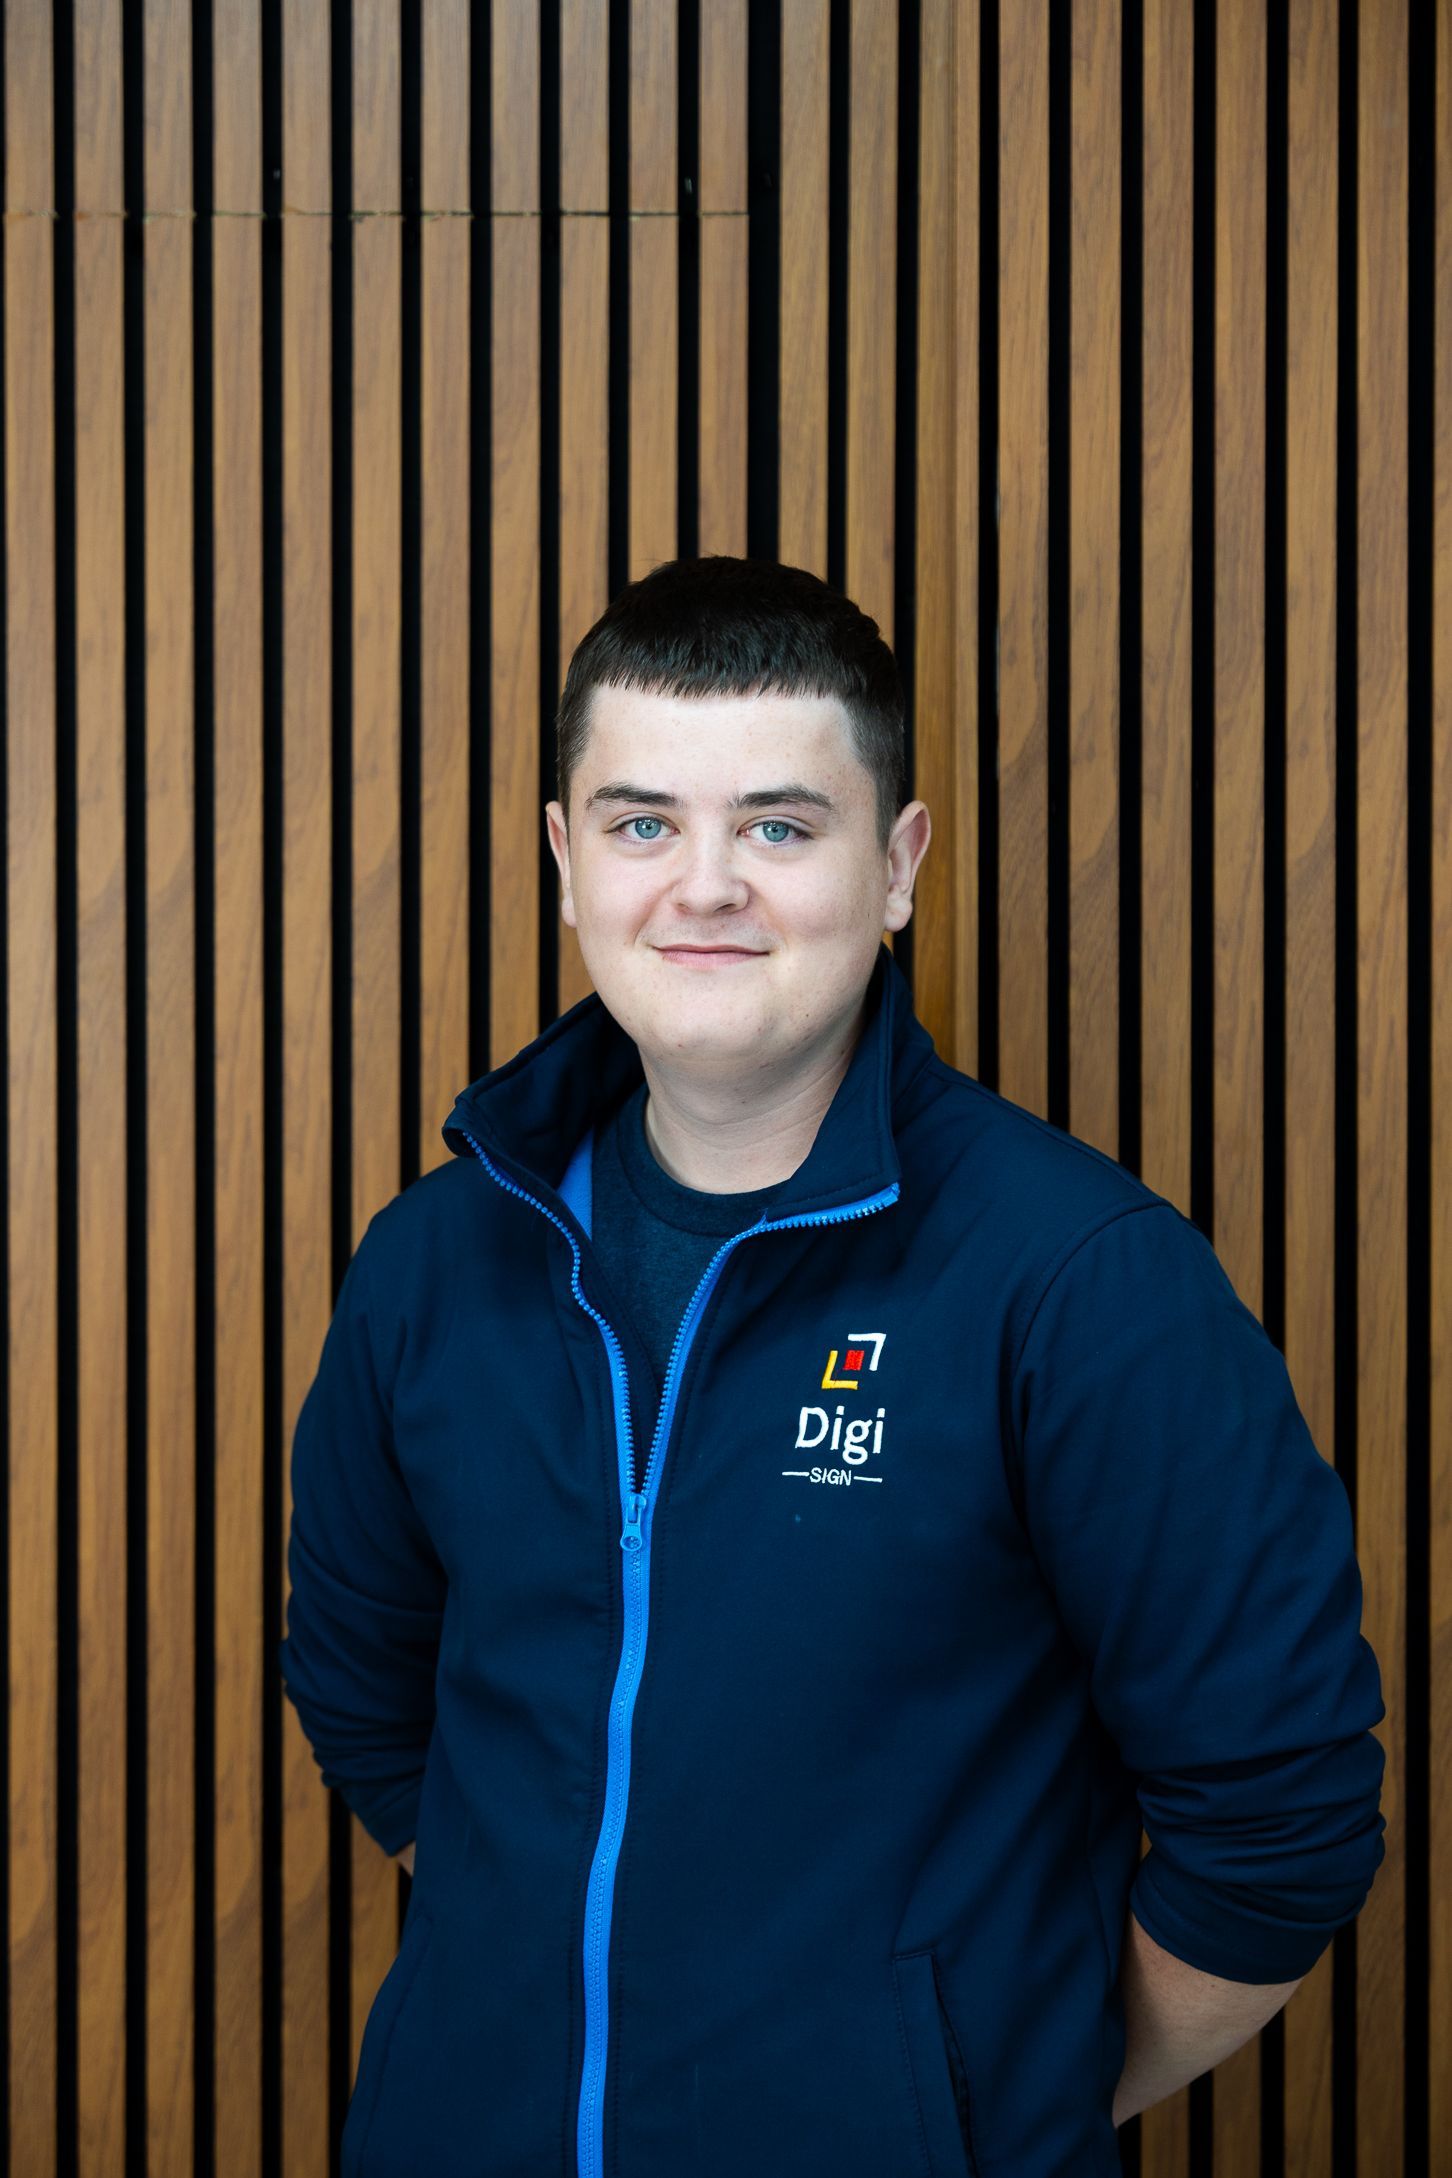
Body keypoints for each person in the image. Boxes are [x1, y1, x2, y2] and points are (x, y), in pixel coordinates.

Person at [278, 555, 1386, 2178]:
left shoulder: (1080, 1283)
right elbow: (365, 1692)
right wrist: (583, 1988)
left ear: (898, 867)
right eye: (644, 821)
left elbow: (1277, 1831)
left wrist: (967, 2101)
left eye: (780, 827)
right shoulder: (435, 1264)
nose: (706, 883)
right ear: (565, 858)